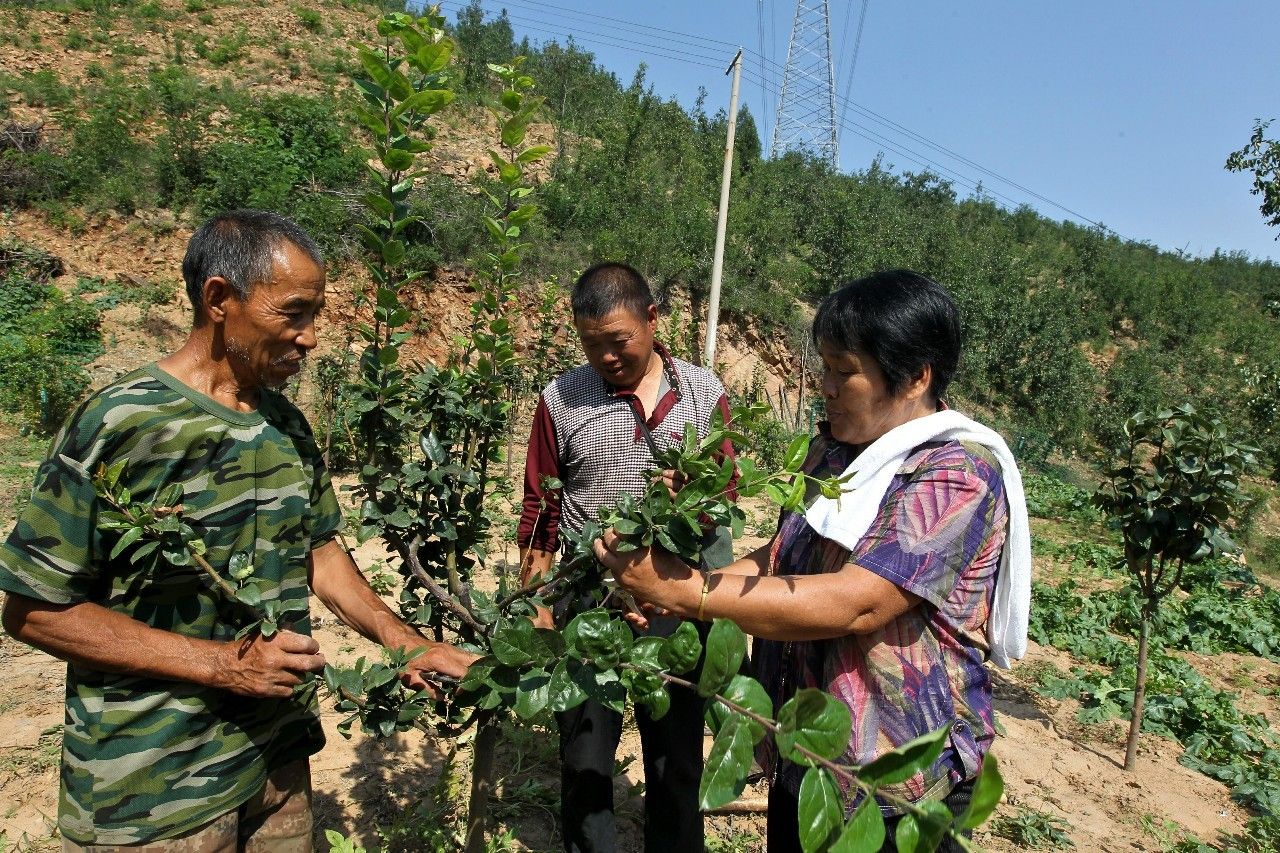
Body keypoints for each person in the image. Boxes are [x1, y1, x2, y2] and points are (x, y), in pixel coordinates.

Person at [0, 210, 476, 851]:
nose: (310, 337)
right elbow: (33, 611)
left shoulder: (285, 425)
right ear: (219, 299)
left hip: (273, 764)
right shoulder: (121, 424)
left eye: (316, 315)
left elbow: (321, 553)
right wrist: (223, 665)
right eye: (293, 312)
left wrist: (405, 642)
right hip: (154, 790)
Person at [594, 269, 1032, 852]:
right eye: (824, 366)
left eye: (844, 371)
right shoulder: (835, 454)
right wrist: (673, 588)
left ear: (915, 377)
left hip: (890, 774)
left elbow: (856, 602)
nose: (824, 385)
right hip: (806, 749)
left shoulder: (954, 473)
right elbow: (777, 559)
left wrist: (687, 591)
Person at [517, 261, 737, 853]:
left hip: (678, 600)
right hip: (590, 599)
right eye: (593, 346)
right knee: (586, 759)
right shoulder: (562, 398)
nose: (607, 358)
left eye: (619, 342)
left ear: (651, 320)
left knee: (676, 762)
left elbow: (726, 493)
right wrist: (538, 606)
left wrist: (691, 496)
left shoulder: (703, 394)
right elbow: (539, 506)